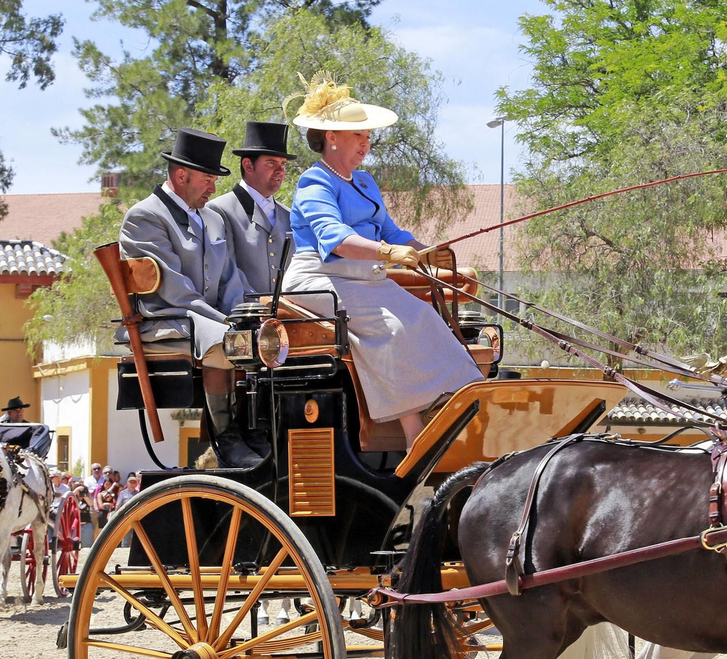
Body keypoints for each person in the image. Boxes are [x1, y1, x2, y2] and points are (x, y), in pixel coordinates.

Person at [282, 75, 481, 444]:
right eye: (358, 134)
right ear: (332, 137)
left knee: (425, 318)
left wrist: (422, 249)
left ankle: (457, 404)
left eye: (368, 135)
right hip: (318, 279)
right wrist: (389, 254)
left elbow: (390, 230)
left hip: (365, 277)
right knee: (394, 328)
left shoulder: (365, 182)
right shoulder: (314, 182)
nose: (366, 142)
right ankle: (413, 435)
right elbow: (335, 238)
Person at [119, 126, 263, 467]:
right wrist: (227, 324)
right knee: (227, 341)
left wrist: (243, 314)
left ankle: (255, 429)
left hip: (205, 320)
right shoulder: (145, 216)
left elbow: (230, 277)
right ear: (181, 175)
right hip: (164, 321)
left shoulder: (212, 217)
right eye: (208, 179)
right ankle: (226, 438)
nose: (214, 188)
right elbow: (174, 289)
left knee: (266, 336)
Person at [208, 121, 293, 295]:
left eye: (283, 164)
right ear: (248, 165)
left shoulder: (289, 215)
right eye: (271, 163)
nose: (280, 170)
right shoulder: (218, 211)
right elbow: (226, 277)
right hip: (243, 317)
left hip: (288, 318)